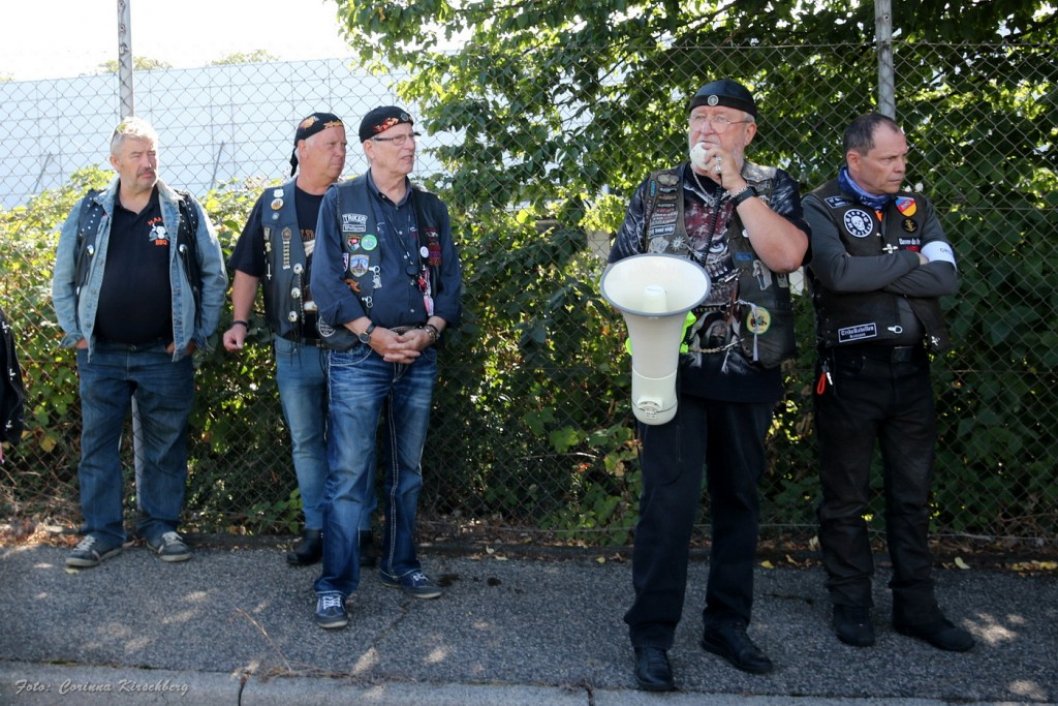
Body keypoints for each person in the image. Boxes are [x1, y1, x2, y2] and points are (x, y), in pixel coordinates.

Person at [609, 79, 809, 689]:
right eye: (699, 117)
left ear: (748, 132)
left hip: (748, 370)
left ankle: (726, 625)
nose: (707, 128)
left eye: (722, 120)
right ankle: (652, 636)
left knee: (738, 503)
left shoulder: (775, 186)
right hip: (669, 371)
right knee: (666, 506)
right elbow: (619, 269)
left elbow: (787, 256)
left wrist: (738, 187)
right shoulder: (656, 188)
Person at [804, 113, 973, 652]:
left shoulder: (916, 207)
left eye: (903, 156)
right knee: (845, 498)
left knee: (913, 497)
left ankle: (916, 609)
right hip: (850, 374)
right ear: (855, 159)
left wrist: (876, 268)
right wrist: (907, 259)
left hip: (912, 371)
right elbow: (836, 275)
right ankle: (852, 605)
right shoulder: (819, 206)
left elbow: (945, 277)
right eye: (889, 158)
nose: (901, 166)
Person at [308, 106, 462, 629]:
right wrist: (371, 334)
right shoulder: (340, 201)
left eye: (411, 136)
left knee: (408, 471)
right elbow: (325, 280)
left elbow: (450, 284)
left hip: (418, 354)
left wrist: (429, 331)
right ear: (370, 149)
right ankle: (334, 585)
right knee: (348, 475)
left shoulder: (431, 208)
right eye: (396, 139)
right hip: (359, 356)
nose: (409, 146)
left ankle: (401, 564)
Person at [51, 116, 227, 568]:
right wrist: (76, 334)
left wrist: (196, 336)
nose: (148, 162)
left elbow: (213, 274)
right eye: (137, 155)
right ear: (115, 161)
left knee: (166, 445)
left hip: (164, 354)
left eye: (153, 153)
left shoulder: (183, 209)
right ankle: (102, 533)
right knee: (98, 446)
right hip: (100, 353)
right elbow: (63, 277)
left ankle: (160, 526)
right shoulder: (89, 210)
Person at [222, 112, 378, 568]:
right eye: (331, 145)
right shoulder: (272, 204)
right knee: (307, 442)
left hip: (352, 346)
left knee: (356, 441)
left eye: (344, 145)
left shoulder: (359, 200)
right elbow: (248, 267)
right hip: (293, 346)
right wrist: (239, 322)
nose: (341, 153)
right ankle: (317, 530)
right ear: (302, 149)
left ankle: (360, 531)